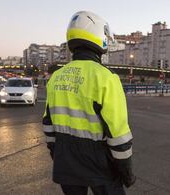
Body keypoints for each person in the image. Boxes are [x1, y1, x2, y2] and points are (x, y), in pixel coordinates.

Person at [42, 11, 135, 195]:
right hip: (100, 164)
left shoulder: (56, 78)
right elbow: (118, 135)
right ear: (99, 36)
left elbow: (48, 125)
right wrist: (126, 171)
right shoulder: (106, 78)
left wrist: (58, 155)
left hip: (66, 162)